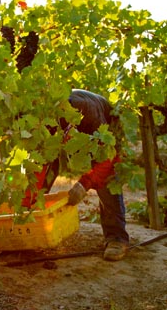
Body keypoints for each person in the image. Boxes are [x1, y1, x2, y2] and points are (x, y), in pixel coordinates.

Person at [22, 89, 129, 261]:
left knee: (107, 179)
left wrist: (84, 184)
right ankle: (33, 219)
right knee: (47, 166)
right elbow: (40, 163)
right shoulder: (42, 120)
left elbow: (106, 160)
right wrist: (27, 200)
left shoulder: (87, 112)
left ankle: (116, 238)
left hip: (107, 127)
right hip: (72, 130)